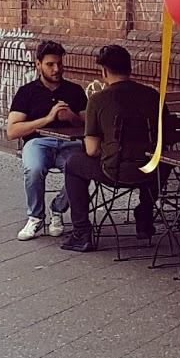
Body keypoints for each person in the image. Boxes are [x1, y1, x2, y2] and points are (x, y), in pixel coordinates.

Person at [58, 44, 160, 253]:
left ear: (103, 71)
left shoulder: (98, 99)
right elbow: (167, 139)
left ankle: (82, 232)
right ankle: (144, 216)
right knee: (160, 160)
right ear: (130, 68)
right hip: (153, 171)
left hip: (116, 171)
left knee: (74, 163)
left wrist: (113, 148)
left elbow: (92, 150)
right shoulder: (153, 96)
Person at [7, 40, 88, 239]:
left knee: (83, 169)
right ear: (38, 64)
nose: (57, 69)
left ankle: (58, 208)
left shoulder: (75, 90)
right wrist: (48, 119)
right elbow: (12, 130)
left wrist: (72, 117)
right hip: (37, 142)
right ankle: (35, 217)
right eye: (50, 64)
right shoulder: (27, 92)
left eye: (59, 64)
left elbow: (89, 126)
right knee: (33, 169)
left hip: (70, 144)